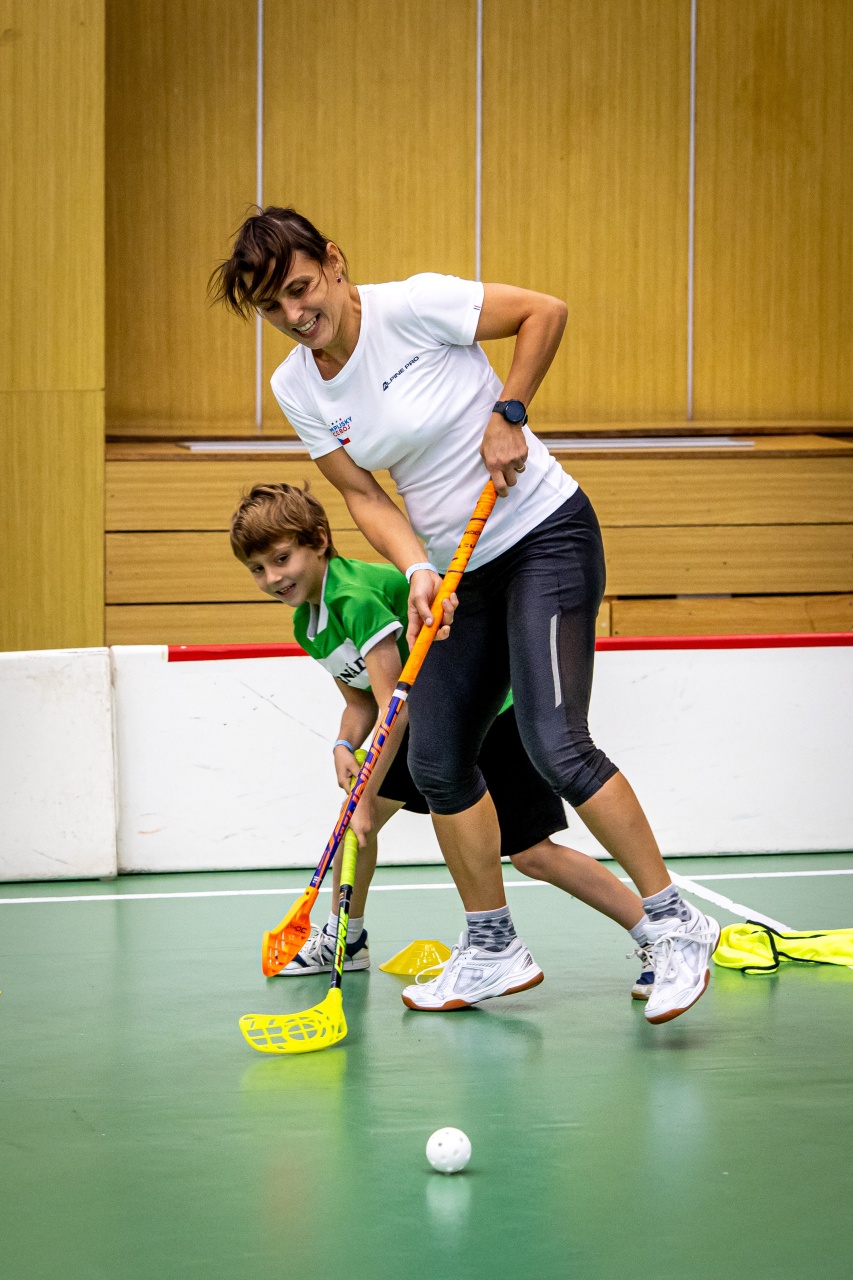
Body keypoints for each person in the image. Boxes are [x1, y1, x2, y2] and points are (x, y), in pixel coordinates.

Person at [211, 206, 719, 1025]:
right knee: (439, 760)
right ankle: (492, 947)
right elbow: (362, 494)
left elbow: (543, 312)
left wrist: (508, 410)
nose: (294, 315)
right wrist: (417, 566)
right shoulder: (295, 385)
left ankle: (674, 922)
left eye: (300, 289)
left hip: (543, 536)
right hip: (459, 572)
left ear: (333, 262)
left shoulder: (413, 306)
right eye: (272, 307)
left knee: (557, 745)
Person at [229, 481, 656, 1001]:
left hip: (484, 715)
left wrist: (364, 793)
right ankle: (348, 939)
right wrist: (343, 746)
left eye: (281, 559)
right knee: (355, 827)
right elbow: (361, 704)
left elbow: (396, 706)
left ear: (319, 540)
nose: (272, 578)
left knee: (533, 855)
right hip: (429, 722)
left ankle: (656, 932)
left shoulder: (353, 597)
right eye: (257, 569)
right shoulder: (308, 622)